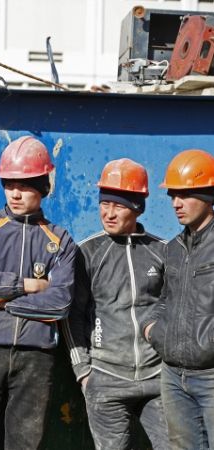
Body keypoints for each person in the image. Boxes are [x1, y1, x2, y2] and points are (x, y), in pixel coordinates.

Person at [0, 136, 77, 450]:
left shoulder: (60, 239)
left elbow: (60, 303)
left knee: (25, 445)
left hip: (35, 355)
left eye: (24, 185)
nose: (15, 193)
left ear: (43, 187)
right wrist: (29, 285)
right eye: (9, 185)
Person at [62, 158, 168, 449]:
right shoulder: (86, 253)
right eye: (104, 204)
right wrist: (83, 372)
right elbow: (72, 315)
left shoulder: (162, 251)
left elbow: (174, 309)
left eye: (118, 206)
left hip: (158, 378)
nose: (108, 213)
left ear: (138, 208)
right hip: (106, 378)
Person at [143, 149, 214, 449]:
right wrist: (153, 330)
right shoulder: (172, 248)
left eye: (184, 195)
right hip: (173, 377)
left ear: (208, 195)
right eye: (173, 195)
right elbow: (164, 298)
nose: (176, 203)